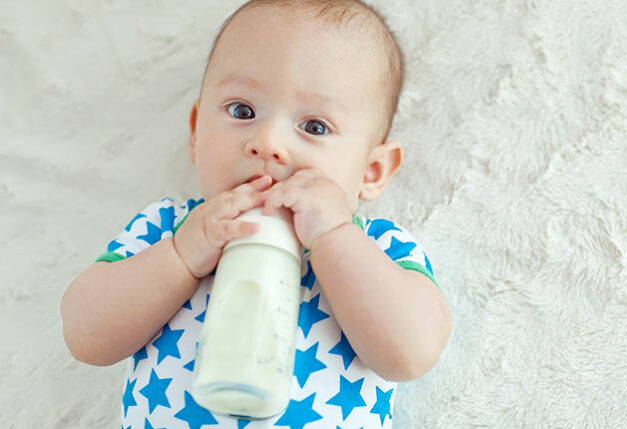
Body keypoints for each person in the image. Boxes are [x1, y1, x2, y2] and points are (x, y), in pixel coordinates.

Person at [60, 0, 451, 427]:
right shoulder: (170, 228)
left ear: (371, 171)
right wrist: (182, 257)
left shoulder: (377, 246)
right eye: (242, 111)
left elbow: (412, 353)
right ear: (196, 132)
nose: (267, 143)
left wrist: (335, 235)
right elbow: (84, 335)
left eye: (314, 126)